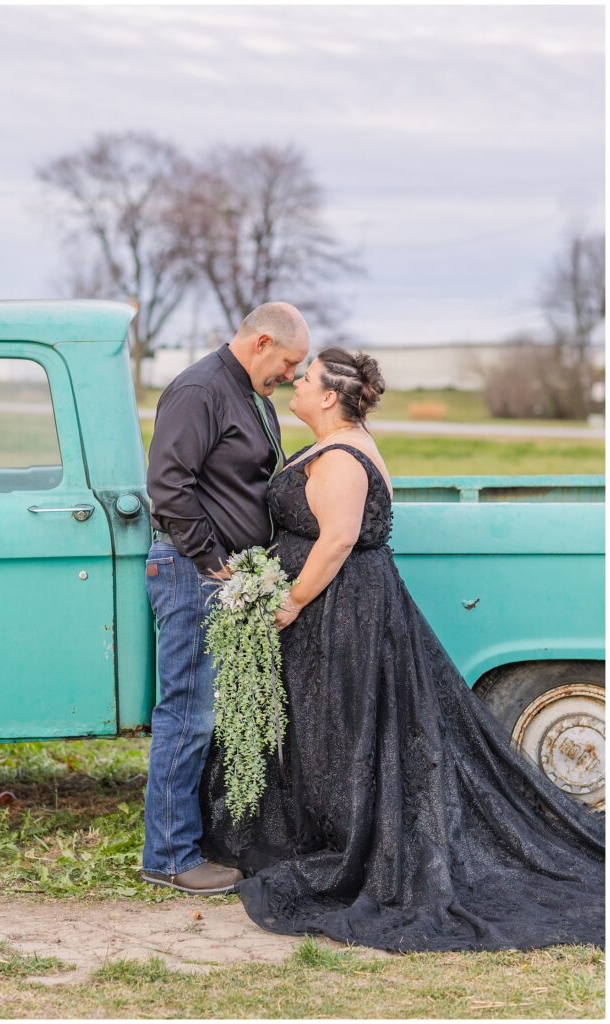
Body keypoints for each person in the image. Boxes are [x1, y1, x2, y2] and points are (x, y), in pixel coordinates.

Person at [200, 347, 604, 951]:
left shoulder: (341, 457)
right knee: (329, 726)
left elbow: (335, 541)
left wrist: (290, 602)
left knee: (345, 727)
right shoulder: (335, 443)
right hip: (338, 607)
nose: (296, 384)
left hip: (341, 611)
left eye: (306, 379)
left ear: (330, 396)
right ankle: (314, 830)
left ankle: (350, 844)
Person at [141, 302, 311, 895]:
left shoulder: (251, 395)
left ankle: (198, 841)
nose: (290, 376)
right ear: (262, 342)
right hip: (195, 572)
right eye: (288, 362)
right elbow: (168, 486)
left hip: (226, 577)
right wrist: (215, 563)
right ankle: (167, 856)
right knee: (188, 715)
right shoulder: (198, 390)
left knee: (211, 717)